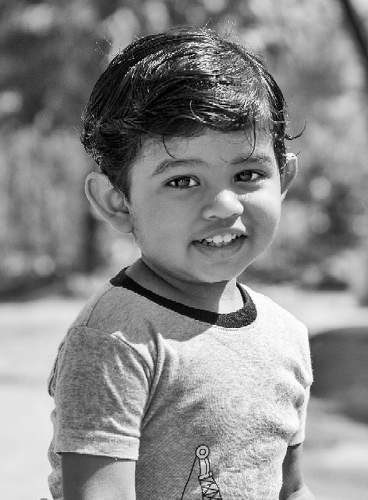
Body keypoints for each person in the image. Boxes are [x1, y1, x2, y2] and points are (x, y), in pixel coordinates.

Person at [47, 26, 314, 500]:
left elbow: (289, 488)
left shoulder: (286, 335)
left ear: (284, 178)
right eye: (182, 181)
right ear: (117, 202)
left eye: (248, 174)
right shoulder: (117, 339)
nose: (225, 205)